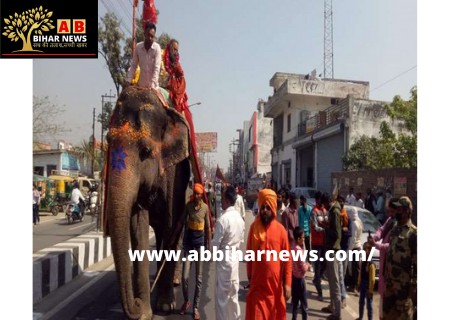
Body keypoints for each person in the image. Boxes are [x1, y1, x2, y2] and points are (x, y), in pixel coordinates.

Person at [246, 189, 292, 319]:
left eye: (267, 207)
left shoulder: (281, 230)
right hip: (258, 289)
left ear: (273, 208)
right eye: (262, 207)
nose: (264, 210)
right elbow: (249, 254)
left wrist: (287, 283)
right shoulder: (254, 228)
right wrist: (249, 274)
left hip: (275, 290)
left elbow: (287, 259)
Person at [212, 186, 245, 320]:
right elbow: (241, 241)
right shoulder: (240, 220)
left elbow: (215, 246)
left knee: (222, 302)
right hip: (234, 264)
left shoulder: (223, 220)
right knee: (233, 299)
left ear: (226, 200)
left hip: (224, 265)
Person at [179, 183, 211, 319]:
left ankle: (196, 307)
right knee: (184, 278)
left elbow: (208, 228)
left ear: (201, 195)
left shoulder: (205, 208)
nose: (197, 196)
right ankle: (187, 300)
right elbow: (181, 222)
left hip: (200, 247)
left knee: (198, 279)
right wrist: (174, 236)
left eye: (199, 194)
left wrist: (209, 247)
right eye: (195, 194)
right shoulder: (188, 206)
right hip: (188, 246)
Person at [382, 197, 417, 320]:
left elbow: (417, 262)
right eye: (395, 209)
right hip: (390, 284)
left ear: (407, 211)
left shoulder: (413, 233)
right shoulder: (395, 228)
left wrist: (414, 286)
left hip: (403, 288)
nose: (396, 212)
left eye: (399, 209)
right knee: (386, 316)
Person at [368, 197, 398, 318]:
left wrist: (376, 245)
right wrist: (375, 237)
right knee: (382, 298)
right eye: (389, 211)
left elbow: (391, 246)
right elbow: (381, 230)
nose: (390, 214)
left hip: (392, 264)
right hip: (384, 261)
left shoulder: (399, 226)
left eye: (392, 211)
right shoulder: (390, 220)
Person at [321, 192, 342, 320]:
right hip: (330, 248)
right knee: (331, 280)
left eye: (325, 204)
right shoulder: (333, 211)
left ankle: (337, 313)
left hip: (333, 249)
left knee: (335, 282)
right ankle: (332, 306)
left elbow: (336, 233)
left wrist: (325, 227)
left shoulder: (335, 212)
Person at [124, 21, 161, 89]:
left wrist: (152, 87)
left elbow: (157, 69)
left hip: (154, 88)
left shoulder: (157, 48)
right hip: (141, 87)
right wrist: (128, 80)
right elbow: (133, 66)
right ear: (144, 34)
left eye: (152, 36)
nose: (150, 38)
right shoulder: (138, 47)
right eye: (148, 35)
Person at [310, 191, 327, 301]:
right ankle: (319, 291)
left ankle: (317, 278)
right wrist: (325, 229)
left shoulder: (325, 210)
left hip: (324, 243)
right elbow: (315, 227)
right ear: (318, 200)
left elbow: (328, 222)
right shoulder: (314, 212)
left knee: (324, 264)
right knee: (317, 266)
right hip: (316, 244)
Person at [291, 227, 310, 320]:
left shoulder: (293, 247)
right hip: (300, 280)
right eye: (303, 238)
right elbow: (303, 268)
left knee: (295, 304)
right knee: (304, 304)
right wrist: (308, 265)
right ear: (298, 239)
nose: (304, 239)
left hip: (294, 278)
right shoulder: (299, 251)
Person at [356, 242, 376, 320]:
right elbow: (360, 274)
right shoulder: (363, 262)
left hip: (368, 286)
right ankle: (360, 316)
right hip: (363, 284)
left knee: (369, 304)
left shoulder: (371, 264)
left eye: (365, 249)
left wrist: (370, 290)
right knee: (361, 302)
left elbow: (372, 279)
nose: (364, 251)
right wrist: (359, 284)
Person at [346, 206, 363, 293]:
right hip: (358, 246)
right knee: (356, 267)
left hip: (354, 247)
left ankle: (353, 286)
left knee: (353, 268)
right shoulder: (360, 221)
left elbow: (353, 238)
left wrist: (350, 249)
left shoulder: (354, 223)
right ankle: (356, 285)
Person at [337, 196, 349, 308]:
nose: (340, 203)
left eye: (342, 201)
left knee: (341, 274)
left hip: (343, 247)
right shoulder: (336, 214)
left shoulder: (346, 216)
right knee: (338, 275)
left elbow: (348, 232)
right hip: (336, 248)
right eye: (339, 202)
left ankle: (343, 297)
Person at [298, 195, 312, 267]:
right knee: (300, 247)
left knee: (308, 248)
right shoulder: (299, 209)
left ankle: (309, 262)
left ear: (304, 201)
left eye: (301, 200)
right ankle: (302, 262)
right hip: (301, 231)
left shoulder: (310, 209)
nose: (300, 201)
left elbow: (311, 220)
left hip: (307, 231)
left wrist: (310, 231)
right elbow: (298, 219)